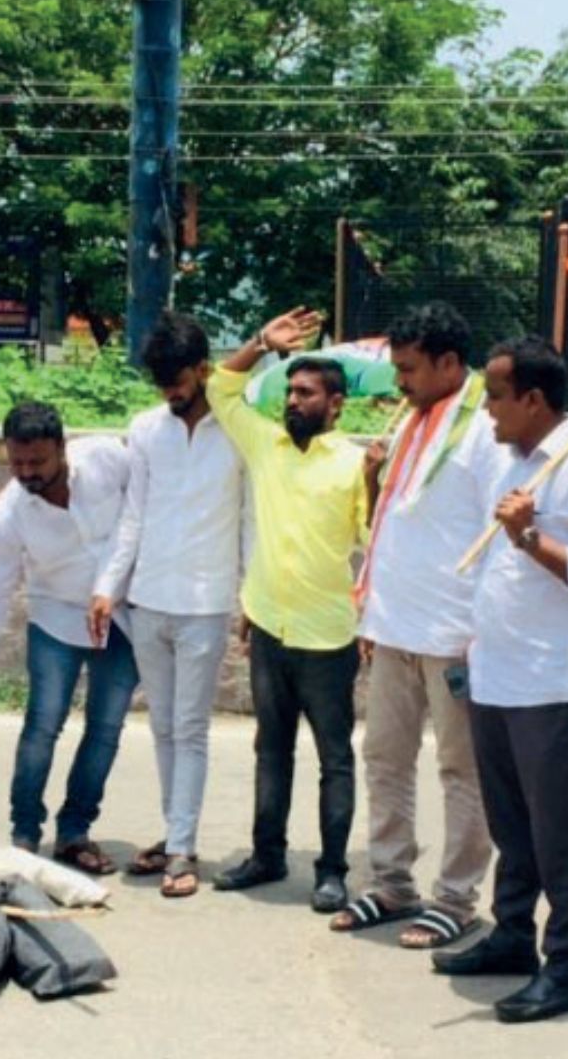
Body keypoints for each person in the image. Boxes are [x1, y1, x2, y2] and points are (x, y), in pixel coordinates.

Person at [432, 338, 568, 1026]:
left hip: (550, 680)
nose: (487, 409)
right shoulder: (510, 463)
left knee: (560, 831)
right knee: (510, 824)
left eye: (494, 395)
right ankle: (513, 934)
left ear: (533, 400)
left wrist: (529, 540)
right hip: (495, 671)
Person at [330, 302, 495, 950]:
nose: (399, 381)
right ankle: (393, 884)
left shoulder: (486, 427)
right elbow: (396, 521)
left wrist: (485, 629)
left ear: (450, 364)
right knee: (385, 759)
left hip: (454, 633)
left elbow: (494, 533)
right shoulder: (407, 422)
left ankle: (456, 899)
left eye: (409, 369)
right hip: (393, 625)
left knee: (462, 770)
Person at [205, 308, 369, 914]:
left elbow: (374, 537)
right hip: (269, 626)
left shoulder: (354, 462)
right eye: (291, 391)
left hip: (328, 637)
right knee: (270, 749)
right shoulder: (266, 445)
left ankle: (331, 871)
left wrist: (376, 481)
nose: (292, 401)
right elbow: (220, 389)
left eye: (306, 394)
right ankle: (267, 854)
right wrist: (259, 345)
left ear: (335, 405)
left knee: (335, 757)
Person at [88, 312, 251, 898]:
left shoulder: (238, 429)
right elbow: (133, 517)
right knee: (160, 725)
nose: (170, 395)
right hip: (149, 598)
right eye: (161, 386)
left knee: (190, 727)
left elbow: (250, 520)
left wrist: (249, 597)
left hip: (206, 601)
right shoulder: (147, 429)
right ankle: (175, 833)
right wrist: (108, 585)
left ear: (204, 370)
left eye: (178, 383)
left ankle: (182, 849)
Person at [0, 402, 137, 874]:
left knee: (105, 729)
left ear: (62, 449)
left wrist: (112, 586)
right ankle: (24, 834)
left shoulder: (109, 458)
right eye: (17, 463)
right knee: (42, 726)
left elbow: (142, 510)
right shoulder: (8, 514)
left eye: (38, 463)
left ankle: (74, 833)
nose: (27, 473)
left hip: (123, 620)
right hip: (56, 622)